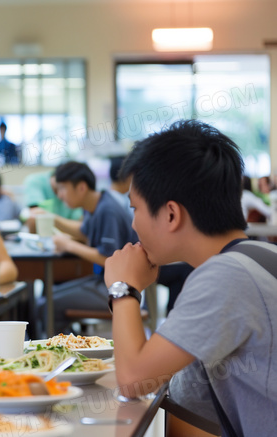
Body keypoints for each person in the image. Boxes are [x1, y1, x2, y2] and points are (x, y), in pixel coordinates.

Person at [104, 120, 277, 436]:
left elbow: (133, 380)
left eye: (135, 209)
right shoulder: (256, 255)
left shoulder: (226, 276)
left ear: (171, 214)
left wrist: (123, 287)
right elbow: (189, 410)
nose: (133, 226)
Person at [39, 161, 138, 333]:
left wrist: (69, 245)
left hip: (115, 287)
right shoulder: (94, 205)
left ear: (81, 188)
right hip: (102, 280)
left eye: (62, 189)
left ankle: (62, 351)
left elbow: (107, 257)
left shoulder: (108, 211)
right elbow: (83, 231)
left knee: (48, 304)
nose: (60, 195)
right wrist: (51, 218)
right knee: (46, 297)